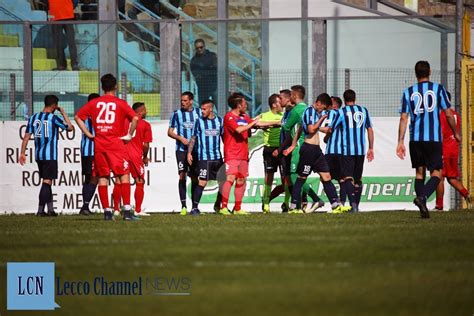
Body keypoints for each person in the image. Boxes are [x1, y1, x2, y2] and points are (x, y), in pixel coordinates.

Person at [397, 60, 459, 219]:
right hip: (433, 139)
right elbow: (448, 114)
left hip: (415, 139)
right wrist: (456, 132)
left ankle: (422, 208)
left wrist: (400, 141)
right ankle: (422, 198)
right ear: (429, 72)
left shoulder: (408, 92)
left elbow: (404, 118)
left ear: (415, 73)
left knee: (419, 173)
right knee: (436, 173)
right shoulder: (438, 89)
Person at [75, 74, 139, 220]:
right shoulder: (120, 103)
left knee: (102, 177)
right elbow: (135, 118)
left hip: (99, 145)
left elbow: (78, 117)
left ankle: (107, 212)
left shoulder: (94, 103)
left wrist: (88, 134)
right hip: (115, 144)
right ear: (116, 86)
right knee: (124, 175)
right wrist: (129, 134)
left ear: (102, 86)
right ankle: (127, 211)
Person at [288, 93, 348, 214]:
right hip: (308, 149)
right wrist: (321, 119)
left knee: (326, 177)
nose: (324, 110)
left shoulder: (315, 113)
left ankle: (336, 205)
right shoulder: (309, 111)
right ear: (319, 103)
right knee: (302, 178)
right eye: (323, 107)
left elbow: (300, 127)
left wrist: (293, 144)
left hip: (316, 151)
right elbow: (310, 129)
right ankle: (293, 207)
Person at [19, 95, 74, 216]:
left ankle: (51, 209)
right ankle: (40, 210)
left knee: (47, 182)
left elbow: (26, 137)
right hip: (50, 156)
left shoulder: (33, 118)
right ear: (54, 105)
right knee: (47, 182)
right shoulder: (53, 118)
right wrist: (64, 113)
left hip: (39, 156)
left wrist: (22, 152)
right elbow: (70, 128)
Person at [278, 85, 323, 213]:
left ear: (294, 96)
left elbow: (286, 127)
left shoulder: (296, 111)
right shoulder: (308, 108)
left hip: (298, 147)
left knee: (294, 177)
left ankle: (315, 199)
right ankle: (297, 207)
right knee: (302, 176)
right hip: (309, 145)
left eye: (291, 94)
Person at [329, 89, 374, 212]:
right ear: (355, 98)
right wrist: (371, 147)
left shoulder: (342, 112)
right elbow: (369, 129)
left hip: (347, 150)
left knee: (348, 178)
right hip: (360, 150)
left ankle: (353, 205)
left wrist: (327, 137)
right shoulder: (364, 110)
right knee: (358, 179)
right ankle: (356, 206)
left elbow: (331, 128)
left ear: (344, 99)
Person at [434, 92, 471, 210]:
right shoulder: (456, 115)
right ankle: (468, 195)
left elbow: (440, 133)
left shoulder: (441, 115)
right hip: (453, 150)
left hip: (444, 150)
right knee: (452, 178)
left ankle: (439, 206)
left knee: (440, 177)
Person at [187, 100, 224, 215]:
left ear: (211, 109)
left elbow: (224, 138)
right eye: (201, 109)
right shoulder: (199, 122)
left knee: (223, 182)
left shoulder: (219, 121)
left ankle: (218, 205)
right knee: (202, 182)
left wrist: (227, 153)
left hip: (217, 158)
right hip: (204, 158)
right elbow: (193, 138)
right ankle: (194, 208)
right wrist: (189, 152)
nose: (202, 111)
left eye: (204, 109)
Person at [167, 91, 201, 215]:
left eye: (185, 101)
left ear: (191, 101)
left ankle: (194, 206)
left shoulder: (198, 113)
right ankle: (183, 206)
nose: (183, 103)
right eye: (181, 100)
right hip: (181, 150)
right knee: (182, 175)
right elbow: (170, 132)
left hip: (196, 150)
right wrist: (181, 138)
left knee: (194, 177)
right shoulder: (176, 114)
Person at [125, 102, 153, 217]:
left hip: (122, 154)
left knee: (121, 180)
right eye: (145, 110)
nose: (146, 112)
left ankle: (117, 209)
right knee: (140, 181)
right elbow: (146, 145)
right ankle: (137, 209)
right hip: (135, 156)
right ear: (140, 111)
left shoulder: (125, 121)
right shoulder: (145, 125)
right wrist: (145, 157)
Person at [260, 94, 283, 213]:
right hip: (269, 150)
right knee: (269, 178)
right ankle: (265, 202)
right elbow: (256, 123)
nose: (282, 105)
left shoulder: (284, 115)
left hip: (282, 149)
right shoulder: (265, 115)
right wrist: (275, 123)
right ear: (274, 105)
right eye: (280, 102)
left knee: (286, 178)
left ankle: (287, 203)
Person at [321, 96, 346, 205]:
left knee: (325, 177)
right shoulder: (343, 114)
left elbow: (328, 129)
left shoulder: (332, 113)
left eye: (329, 102)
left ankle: (335, 201)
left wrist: (313, 127)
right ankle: (342, 202)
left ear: (334, 105)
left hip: (332, 151)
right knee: (342, 178)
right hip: (342, 151)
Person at [79, 93, 99, 216]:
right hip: (92, 151)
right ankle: (85, 206)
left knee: (88, 179)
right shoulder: (93, 115)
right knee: (94, 178)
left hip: (85, 151)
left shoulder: (83, 114)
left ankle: (85, 206)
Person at [48, 0, 79, 70]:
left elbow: (75, 1)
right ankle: (62, 64)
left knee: (71, 42)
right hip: (55, 17)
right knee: (58, 43)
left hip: (67, 16)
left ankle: (74, 64)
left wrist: (69, 8)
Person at [190, 39, 218, 104]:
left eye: (201, 47)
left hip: (215, 86)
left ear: (204, 46)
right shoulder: (194, 60)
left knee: (220, 108)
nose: (199, 49)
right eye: (197, 48)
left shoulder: (212, 56)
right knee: (203, 109)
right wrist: (208, 68)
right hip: (203, 88)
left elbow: (215, 69)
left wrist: (203, 71)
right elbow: (197, 75)